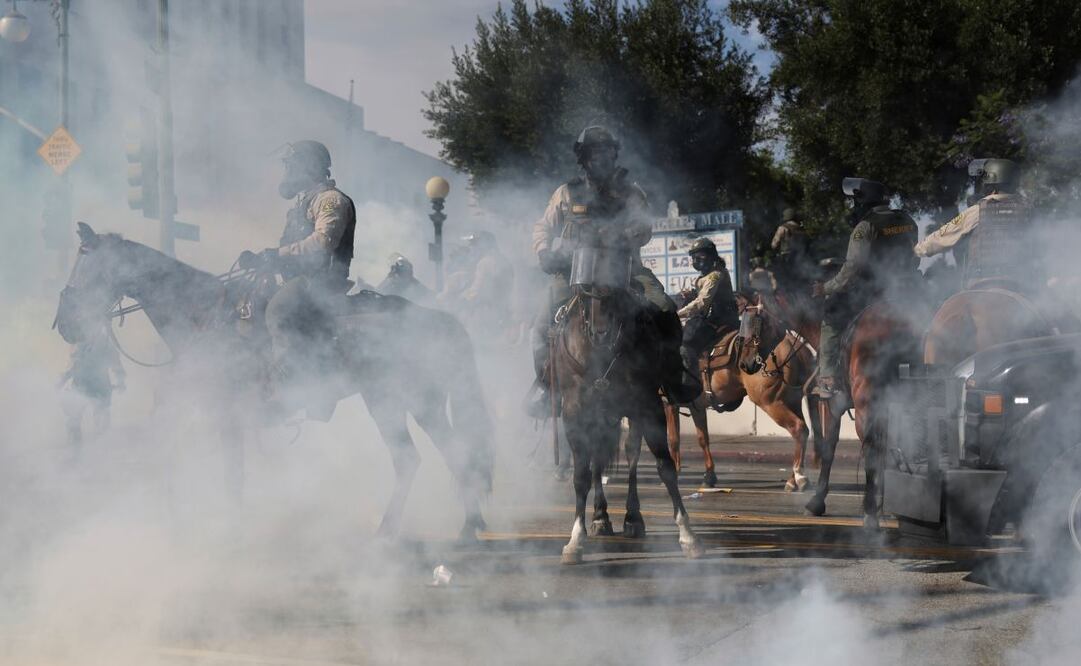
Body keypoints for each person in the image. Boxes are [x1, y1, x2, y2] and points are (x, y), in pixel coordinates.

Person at [528, 125, 698, 416]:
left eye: (606, 151)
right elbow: (543, 227)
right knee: (541, 325)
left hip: (625, 269)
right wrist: (544, 252)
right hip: (573, 272)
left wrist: (624, 235)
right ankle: (548, 388)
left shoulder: (631, 192)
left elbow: (645, 228)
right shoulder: (566, 192)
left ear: (614, 154)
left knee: (665, 309)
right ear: (583, 157)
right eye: (594, 152)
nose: (601, 157)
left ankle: (673, 377)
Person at [239, 140, 357, 420]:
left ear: (309, 167)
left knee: (279, 310)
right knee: (247, 302)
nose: (288, 171)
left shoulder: (330, 199)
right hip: (299, 277)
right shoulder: (302, 204)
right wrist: (263, 261)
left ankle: (289, 387)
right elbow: (292, 248)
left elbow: (323, 242)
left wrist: (276, 254)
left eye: (291, 165)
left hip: (322, 280)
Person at [812, 178, 919, 398]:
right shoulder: (907, 220)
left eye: (854, 202)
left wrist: (826, 288)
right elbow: (914, 254)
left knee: (830, 320)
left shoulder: (865, 226)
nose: (853, 207)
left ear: (863, 201)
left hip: (873, 294)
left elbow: (852, 268)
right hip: (910, 291)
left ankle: (828, 379)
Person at [915, 158, 1032, 289]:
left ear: (991, 184)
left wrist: (917, 250)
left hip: (982, 281)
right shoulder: (1029, 210)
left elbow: (943, 236)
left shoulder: (978, 210)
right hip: (1021, 281)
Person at [676, 238, 739, 377]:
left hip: (718, 319)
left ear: (711, 256)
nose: (696, 260)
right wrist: (691, 293)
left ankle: (690, 382)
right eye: (694, 257)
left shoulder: (715, 276)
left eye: (700, 256)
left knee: (686, 340)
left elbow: (701, 303)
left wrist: (677, 314)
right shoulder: (713, 273)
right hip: (717, 317)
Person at [59, 322, 124, 450]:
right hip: (81, 383)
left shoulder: (105, 343)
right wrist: (63, 379)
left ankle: (101, 449)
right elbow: (73, 364)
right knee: (74, 419)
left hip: (99, 385)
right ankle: (75, 449)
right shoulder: (79, 341)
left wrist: (121, 380)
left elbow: (116, 363)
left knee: (101, 420)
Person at [457, 231, 515, 334]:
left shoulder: (485, 263)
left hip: (486, 314)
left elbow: (476, 291)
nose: (471, 248)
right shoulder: (503, 260)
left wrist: (462, 298)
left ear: (483, 246)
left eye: (474, 244)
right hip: (502, 311)